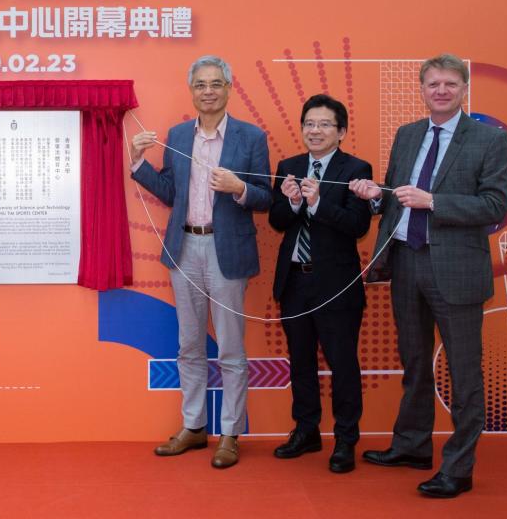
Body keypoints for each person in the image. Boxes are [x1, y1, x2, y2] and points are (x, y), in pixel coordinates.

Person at [349, 54, 507, 498]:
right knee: (416, 364)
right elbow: (394, 197)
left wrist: (435, 201)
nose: (441, 90)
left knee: (463, 373)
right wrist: (373, 196)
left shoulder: (488, 140)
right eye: (433, 84)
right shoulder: (407, 135)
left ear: (464, 90)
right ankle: (412, 445)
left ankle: (458, 469)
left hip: (456, 270)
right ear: (422, 89)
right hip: (405, 263)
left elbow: (496, 206)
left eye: (450, 84)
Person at [130, 55, 271, 469]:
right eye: (200, 85)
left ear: (229, 88)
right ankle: (193, 428)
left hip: (227, 251)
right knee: (189, 345)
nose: (208, 91)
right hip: (185, 248)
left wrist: (240, 187)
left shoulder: (250, 137)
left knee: (229, 347)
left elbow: (266, 196)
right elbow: (173, 193)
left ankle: (230, 432)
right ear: (191, 90)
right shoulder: (177, 134)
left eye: (216, 84)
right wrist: (138, 163)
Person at [268, 94, 372, 473]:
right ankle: (306, 430)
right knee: (301, 362)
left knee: (342, 363)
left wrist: (316, 204)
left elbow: (358, 226)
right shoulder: (289, 166)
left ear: (341, 131)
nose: (315, 130)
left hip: (336, 286)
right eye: (310, 123)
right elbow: (278, 222)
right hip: (295, 281)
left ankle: (346, 439)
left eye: (325, 124)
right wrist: (294, 203)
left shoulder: (356, 168)